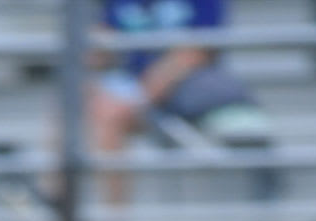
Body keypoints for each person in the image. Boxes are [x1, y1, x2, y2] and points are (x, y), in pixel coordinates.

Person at [89, 0, 261, 204]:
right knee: (76, 103)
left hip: (185, 90)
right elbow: (100, 50)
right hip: (130, 87)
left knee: (108, 112)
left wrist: (141, 96)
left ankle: (110, 220)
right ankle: (60, 200)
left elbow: (195, 52)